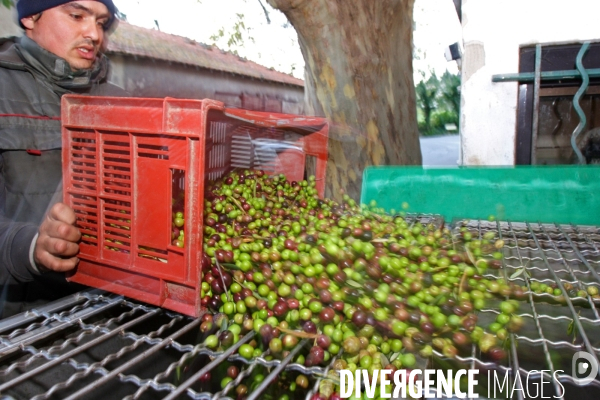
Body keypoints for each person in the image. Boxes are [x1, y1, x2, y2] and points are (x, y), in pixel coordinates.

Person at [0, 0, 126, 318]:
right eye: (76, 16)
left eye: (100, 22)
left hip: (115, 307)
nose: (93, 33)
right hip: (25, 320)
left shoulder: (120, 102)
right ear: (31, 16)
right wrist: (30, 248)